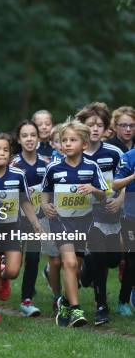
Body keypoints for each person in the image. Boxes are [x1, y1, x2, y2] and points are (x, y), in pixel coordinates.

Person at [41, 119, 108, 328]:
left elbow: (104, 197)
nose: (67, 144)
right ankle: (76, 311)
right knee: (68, 263)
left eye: (73, 140)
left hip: (84, 223)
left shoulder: (92, 167)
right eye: (64, 140)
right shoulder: (53, 168)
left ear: (84, 144)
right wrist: (45, 206)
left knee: (76, 266)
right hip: (60, 222)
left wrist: (94, 190)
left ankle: (65, 301)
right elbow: (45, 194)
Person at [0, 133, 42, 327]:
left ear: (10, 155)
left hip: (12, 229)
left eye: (5, 150)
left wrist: (36, 224)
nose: (1, 153)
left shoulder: (18, 175)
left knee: (12, 272)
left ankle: (5, 279)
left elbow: (25, 202)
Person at [76, 103, 124, 326]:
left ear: (106, 129)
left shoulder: (114, 153)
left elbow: (124, 181)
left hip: (111, 212)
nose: (95, 129)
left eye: (100, 125)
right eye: (90, 125)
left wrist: (119, 200)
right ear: (82, 127)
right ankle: (101, 305)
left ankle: (86, 269)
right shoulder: (75, 151)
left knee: (112, 260)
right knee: (98, 254)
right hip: (85, 214)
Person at [11, 120, 48, 317]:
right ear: (19, 139)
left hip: (37, 221)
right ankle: (2, 274)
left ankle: (26, 299)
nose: (29, 139)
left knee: (33, 259)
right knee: (13, 269)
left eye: (33, 135)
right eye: (25, 135)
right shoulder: (13, 164)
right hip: (16, 220)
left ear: (39, 137)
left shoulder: (46, 163)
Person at [113, 147, 135, 316]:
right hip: (131, 217)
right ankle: (123, 301)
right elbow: (115, 183)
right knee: (132, 261)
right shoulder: (129, 157)